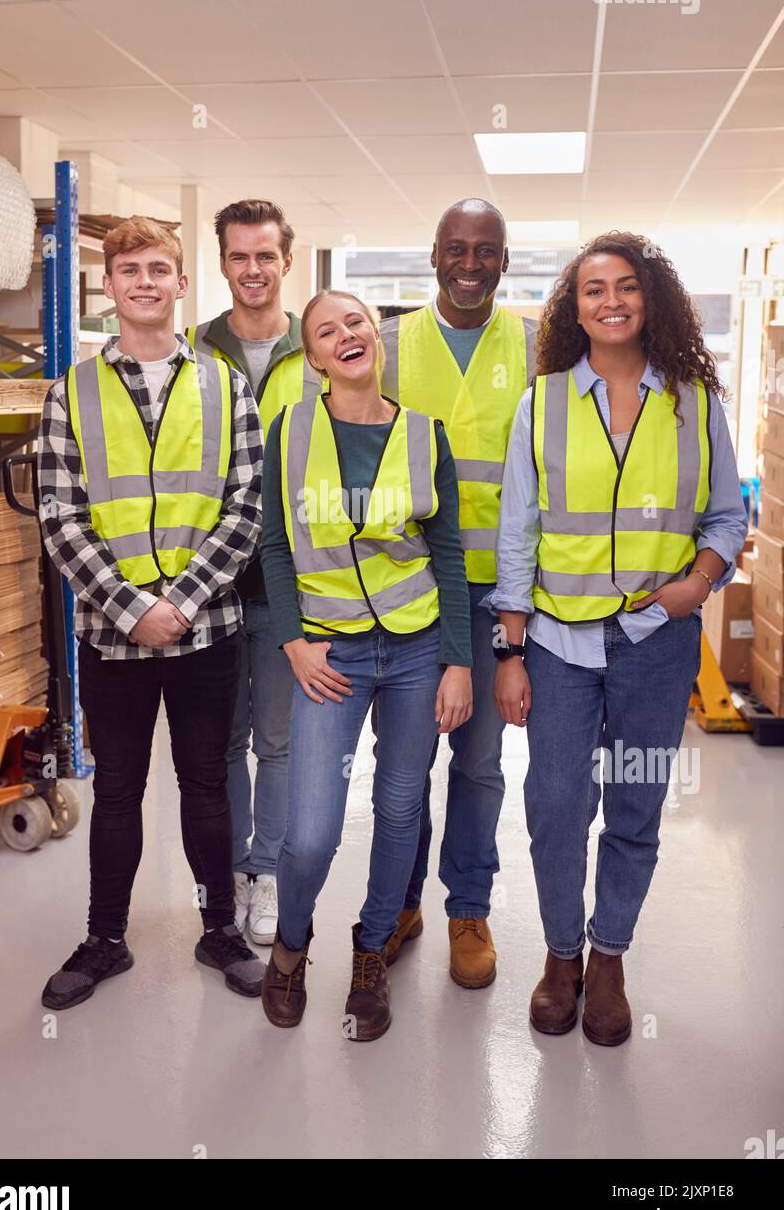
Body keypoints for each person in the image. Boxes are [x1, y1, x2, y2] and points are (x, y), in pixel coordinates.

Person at [492, 231, 747, 1045]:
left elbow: (726, 517)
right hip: (559, 645)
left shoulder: (696, 403)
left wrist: (696, 585)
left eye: (627, 286)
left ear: (651, 300)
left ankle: (609, 958)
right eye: (594, 288)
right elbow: (517, 533)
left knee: (635, 809)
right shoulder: (542, 403)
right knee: (557, 806)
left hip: (655, 643)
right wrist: (508, 649)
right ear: (574, 306)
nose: (611, 301)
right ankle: (561, 954)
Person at [37, 216, 266, 1009]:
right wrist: (132, 608)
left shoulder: (224, 385)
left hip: (206, 631)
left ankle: (220, 930)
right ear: (110, 287)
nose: (143, 282)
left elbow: (245, 508)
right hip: (111, 633)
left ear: (180, 284)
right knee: (119, 791)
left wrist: (183, 601)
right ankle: (105, 939)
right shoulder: (70, 393)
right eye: (129, 269)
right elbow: (60, 520)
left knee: (207, 784)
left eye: (158, 269)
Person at [259, 290, 472, 1040]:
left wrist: (458, 661)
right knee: (312, 831)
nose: (347, 335)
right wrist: (293, 641)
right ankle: (291, 944)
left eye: (355, 323)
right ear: (313, 356)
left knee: (401, 808)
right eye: (327, 330)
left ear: (372, 340)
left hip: (416, 649)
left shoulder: (424, 434)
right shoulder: (288, 432)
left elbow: (447, 550)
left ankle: (371, 949)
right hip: (331, 652)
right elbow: (276, 546)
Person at [379, 198, 535, 988]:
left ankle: (466, 909)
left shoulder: (539, 345)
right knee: (404, 762)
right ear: (433, 255)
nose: (469, 264)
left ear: (505, 261)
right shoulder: (387, 346)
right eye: (456, 249)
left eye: (486, 251)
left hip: (495, 594)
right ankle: (399, 900)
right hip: (407, 589)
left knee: (477, 764)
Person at [187, 200, 323, 947]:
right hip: (208, 582)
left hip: (288, 584)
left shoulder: (320, 347)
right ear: (223, 263)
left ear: (285, 261)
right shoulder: (193, 350)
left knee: (276, 739)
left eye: (264, 255)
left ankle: (266, 872)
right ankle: (231, 873)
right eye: (238, 257)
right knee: (220, 740)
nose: (252, 270)